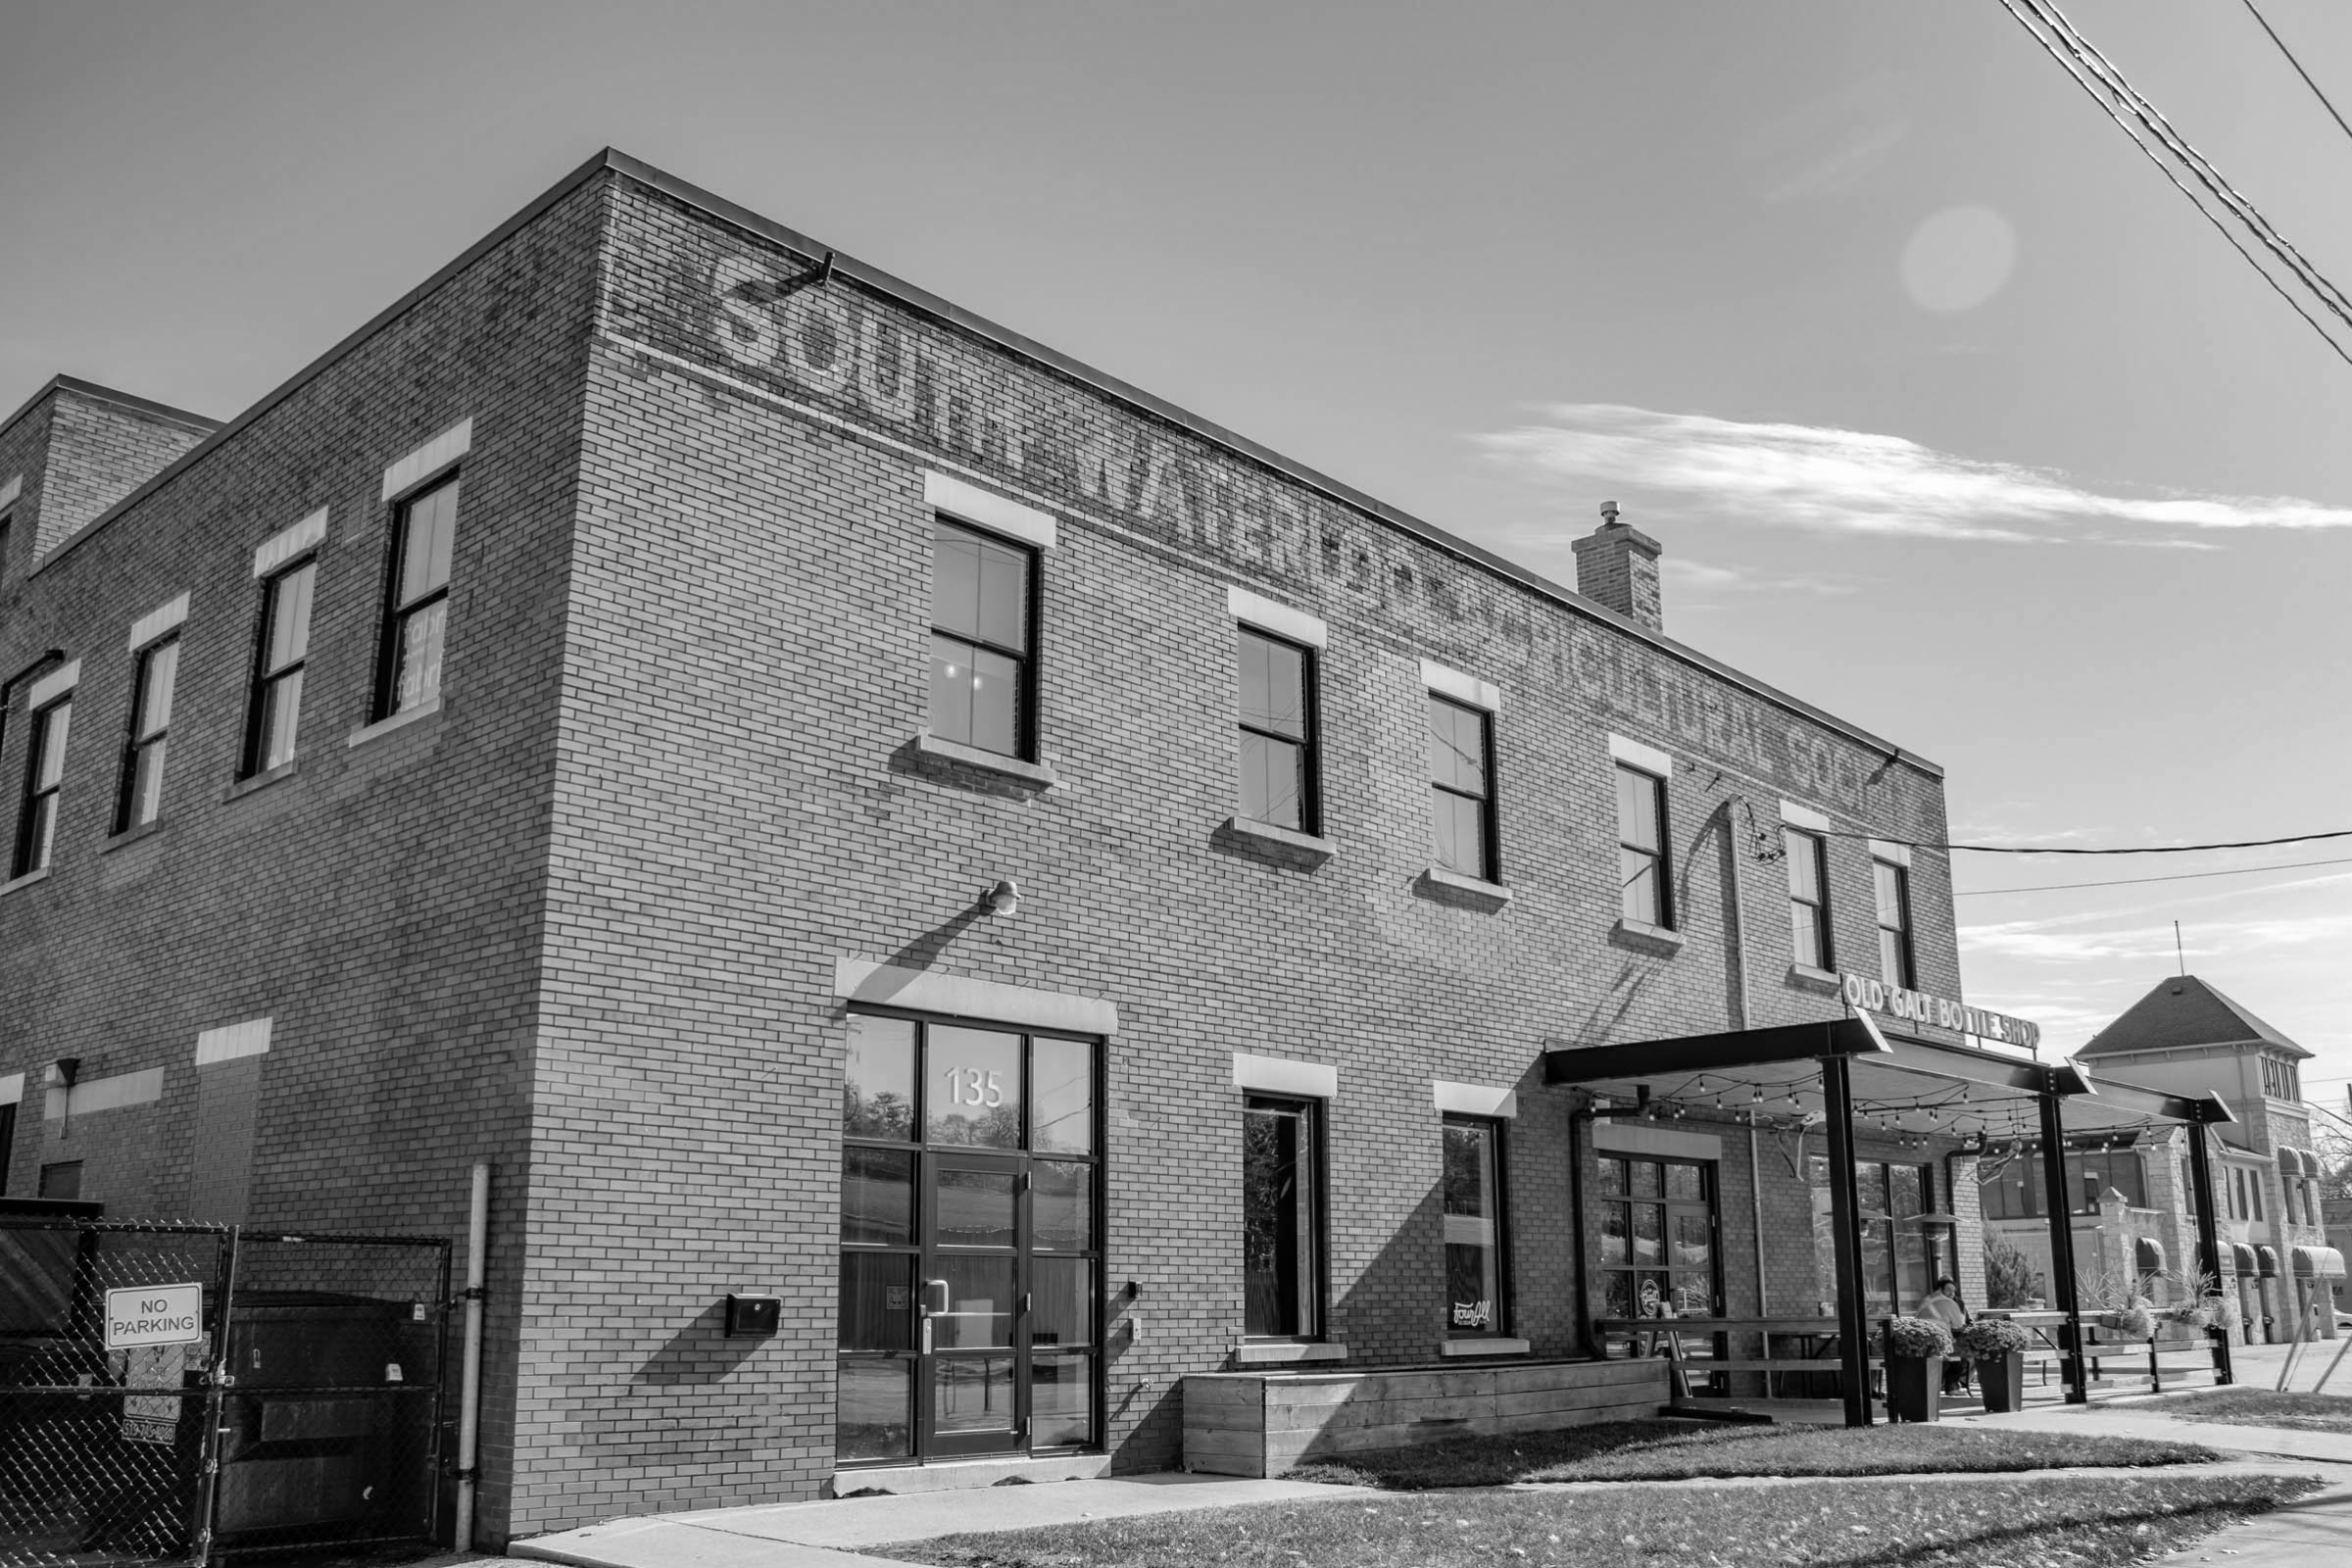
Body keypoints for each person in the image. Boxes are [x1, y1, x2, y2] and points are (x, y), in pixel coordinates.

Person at [1920, 1277, 1971, 1394]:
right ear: (1940, 1289)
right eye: (1948, 1290)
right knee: (1957, 1359)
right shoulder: (1950, 1303)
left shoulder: (1926, 1299)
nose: (1952, 1293)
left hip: (1923, 1340)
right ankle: (1951, 1387)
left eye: (1953, 1291)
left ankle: (1938, 1386)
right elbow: (1958, 1325)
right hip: (1942, 1340)